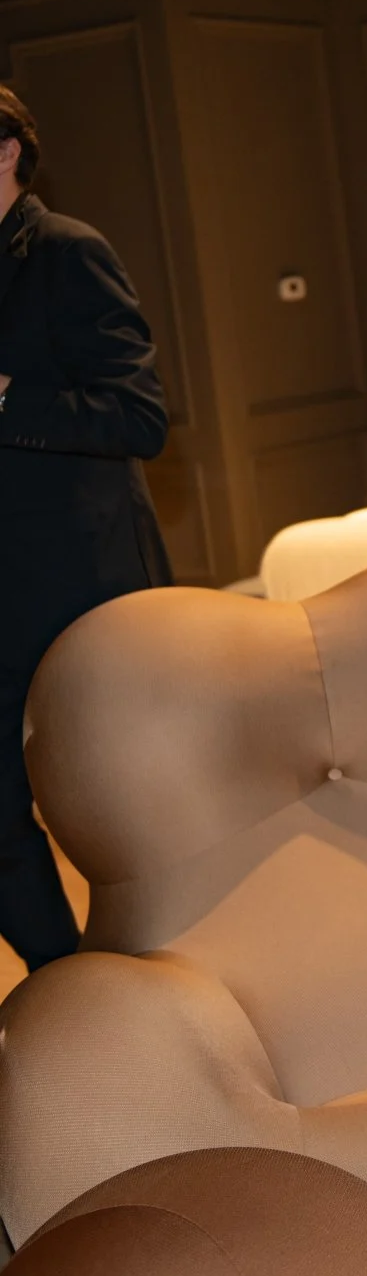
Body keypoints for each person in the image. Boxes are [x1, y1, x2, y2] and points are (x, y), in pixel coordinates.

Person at [0, 86, 171, 972]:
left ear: (6, 154)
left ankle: (169, 981)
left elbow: (139, 418)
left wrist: (5, 400)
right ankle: (67, 986)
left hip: (79, 590)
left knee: (126, 807)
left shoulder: (66, 252)